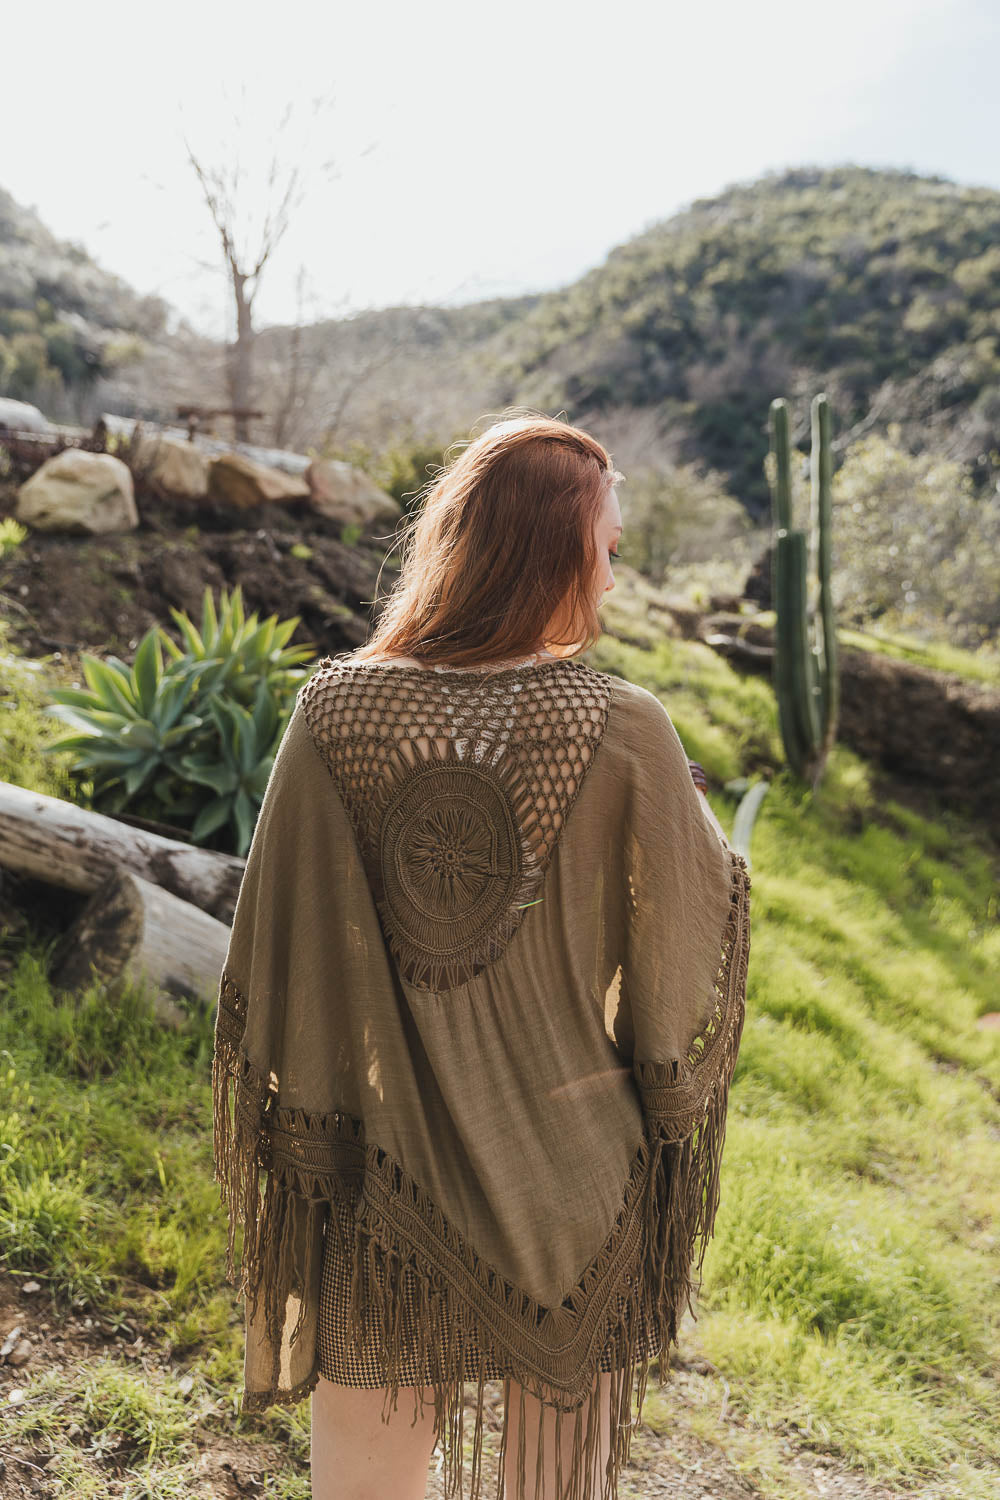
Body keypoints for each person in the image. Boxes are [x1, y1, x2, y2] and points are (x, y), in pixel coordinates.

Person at [211, 411, 752, 1500]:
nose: (611, 574)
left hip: (382, 1181)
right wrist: (710, 850)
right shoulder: (626, 728)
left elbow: (280, 943)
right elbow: (688, 941)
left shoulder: (333, 713)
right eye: (605, 547)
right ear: (552, 551)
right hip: (573, 1186)